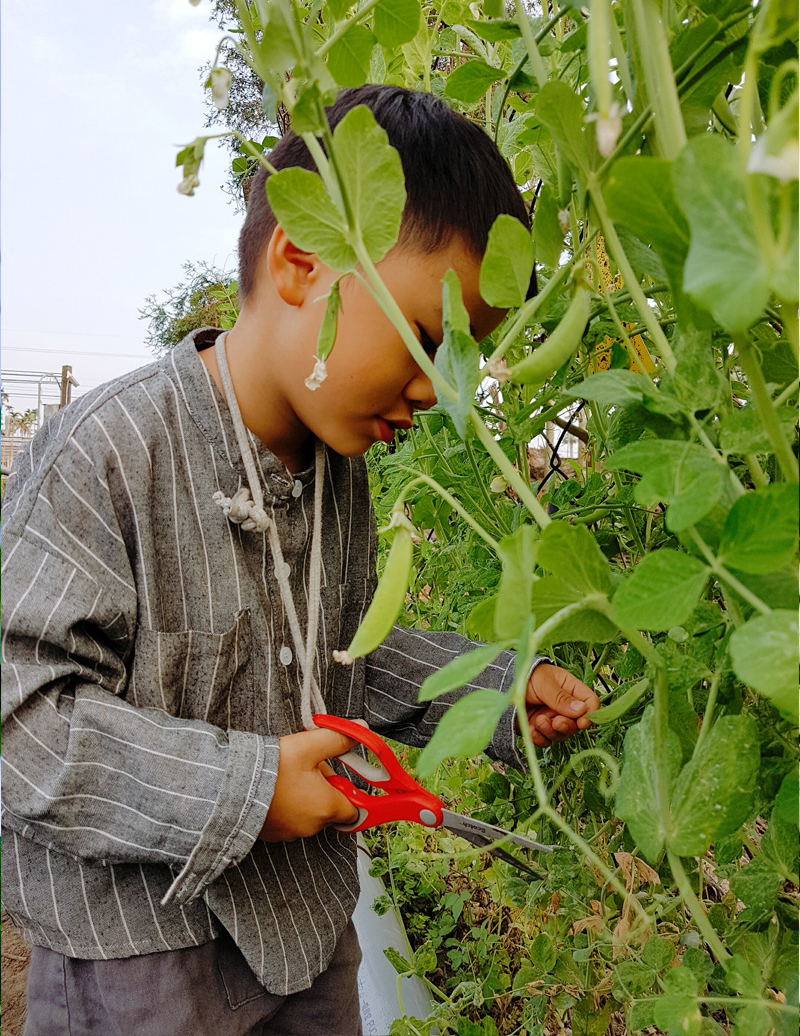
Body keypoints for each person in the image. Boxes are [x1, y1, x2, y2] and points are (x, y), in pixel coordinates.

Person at [1, 85, 599, 1036]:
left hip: (308, 935)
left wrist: (496, 687)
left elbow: (340, 660)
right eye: (427, 339)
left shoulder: (338, 472)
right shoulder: (107, 452)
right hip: (138, 968)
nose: (441, 391)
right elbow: (21, 722)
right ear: (298, 262)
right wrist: (244, 790)